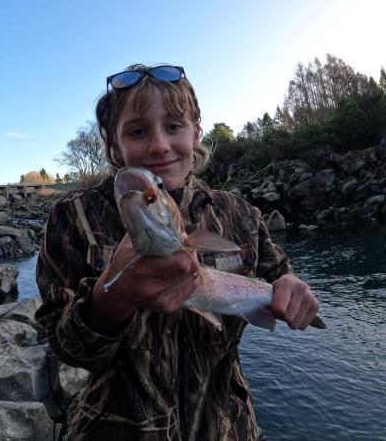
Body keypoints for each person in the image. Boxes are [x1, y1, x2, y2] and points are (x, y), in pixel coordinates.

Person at [35, 64, 320, 440]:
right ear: (114, 145)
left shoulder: (240, 214)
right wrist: (114, 295)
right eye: (137, 131)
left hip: (229, 428)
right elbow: (66, 347)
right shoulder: (72, 216)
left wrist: (292, 289)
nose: (158, 144)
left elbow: (281, 275)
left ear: (196, 133)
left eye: (174, 126)